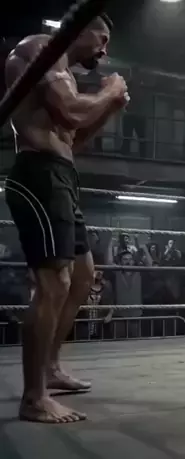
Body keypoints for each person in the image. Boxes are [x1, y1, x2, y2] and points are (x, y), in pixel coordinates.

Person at [3, 14, 129, 423]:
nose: (104, 50)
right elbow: (73, 113)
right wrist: (108, 91)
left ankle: (51, 369)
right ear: (80, 28)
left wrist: (109, 108)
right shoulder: (38, 49)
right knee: (53, 282)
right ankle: (34, 397)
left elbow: (75, 137)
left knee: (82, 277)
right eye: (101, 38)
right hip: (38, 172)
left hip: (62, 175)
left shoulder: (66, 75)